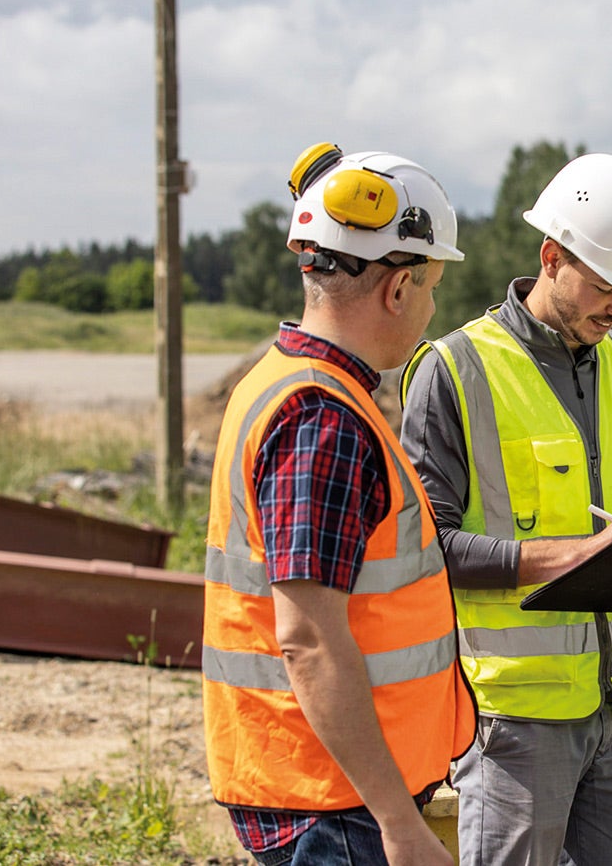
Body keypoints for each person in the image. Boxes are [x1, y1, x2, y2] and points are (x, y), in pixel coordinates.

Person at [400, 152, 612, 865]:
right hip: (515, 721)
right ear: (551, 257)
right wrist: (578, 553)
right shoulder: (455, 370)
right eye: (607, 287)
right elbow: (426, 551)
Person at [202, 143, 476, 866]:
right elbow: (309, 638)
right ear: (398, 288)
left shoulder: (289, 383)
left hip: (323, 785)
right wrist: (399, 824)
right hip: (335, 805)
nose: (431, 305)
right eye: (432, 284)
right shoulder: (321, 417)